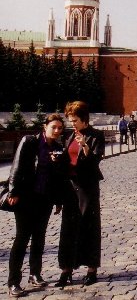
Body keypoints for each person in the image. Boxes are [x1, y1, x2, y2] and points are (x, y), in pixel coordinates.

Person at [6, 114, 67, 298]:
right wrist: (13, 191)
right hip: (26, 198)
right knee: (22, 238)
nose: (56, 131)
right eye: (53, 127)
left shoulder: (57, 148)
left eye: (59, 128)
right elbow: (17, 166)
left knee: (39, 237)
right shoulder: (30, 141)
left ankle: (34, 273)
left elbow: (58, 178)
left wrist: (58, 200)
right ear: (45, 126)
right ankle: (13, 282)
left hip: (45, 198)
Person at [56, 101, 105, 287]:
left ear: (84, 118)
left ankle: (91, 269)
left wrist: (85, 146)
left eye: (75, 120)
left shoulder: (96, 135)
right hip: (70, 187)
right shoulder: (68, 136)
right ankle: (66, 270)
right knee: (68, 228)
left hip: (87, 188)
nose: (72, 124)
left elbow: (95, 161)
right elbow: (66, 159)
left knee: (89, 226)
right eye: (70, 120)